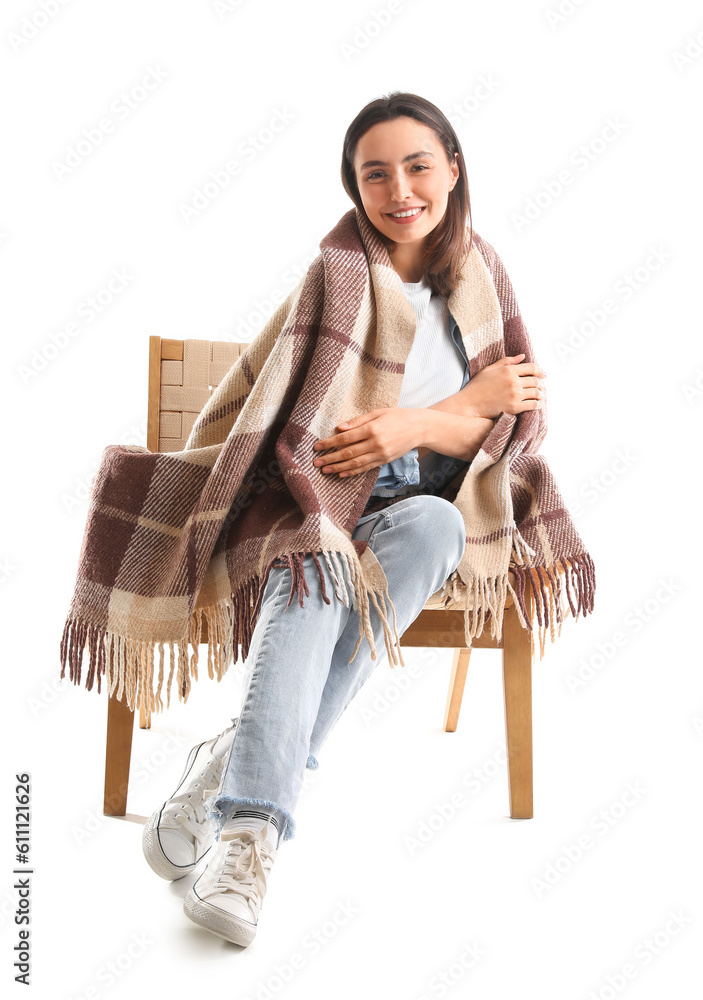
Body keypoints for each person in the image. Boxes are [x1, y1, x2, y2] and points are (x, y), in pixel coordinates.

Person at [141, 91, 547, 948]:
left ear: (453, 168)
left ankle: (233, 757)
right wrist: (463, 406)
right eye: (375, 174)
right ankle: (251, 836)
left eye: (417, 166)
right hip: (313, 498)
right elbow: (307, 427)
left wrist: (415, 424)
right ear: (354, 188)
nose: (400, 189)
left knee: (434, 529)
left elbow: (515, 417)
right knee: (318, 567)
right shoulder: (339, 273)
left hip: (434, 501)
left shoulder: (484, 274)